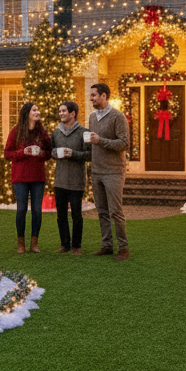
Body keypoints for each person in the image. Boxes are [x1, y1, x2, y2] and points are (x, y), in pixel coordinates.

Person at [87, 83, 130, 260]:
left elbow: (124, 143)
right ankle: (106, 246)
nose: (91, 98)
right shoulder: (91, 117)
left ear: (104, 96)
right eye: (90, 96)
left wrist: (101, 141)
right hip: (96, 171)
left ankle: (123, 248)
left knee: (115, 211)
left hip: (113, 172)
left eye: (94, 95)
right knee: (102, 211)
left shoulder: (117, 117)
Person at [3, 101, 51, 254]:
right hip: (20, 177)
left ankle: (34, 243)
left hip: (37, 177)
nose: (37, 112)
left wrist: (41, 153)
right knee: (21, 209)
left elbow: (49, 151)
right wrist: (23, 152)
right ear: (27, 114)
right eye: (34, 110)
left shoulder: (41, 132)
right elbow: (7, 154)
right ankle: (20, 243)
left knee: (37, 210)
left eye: (38, 109)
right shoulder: (16, 132)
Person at [51, 100, 89, 254]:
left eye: (64, 111)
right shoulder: (56, 132)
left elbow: (90, 154)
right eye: (60, 111)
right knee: (61, 215)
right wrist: (56, 153)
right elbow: (51, 152)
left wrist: (73, 154)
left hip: (76, 181)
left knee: (76, 215)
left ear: (73, 113)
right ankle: (65, 244)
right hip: (60, 180)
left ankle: (76, 246)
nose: (61, 114)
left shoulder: (83, 132)